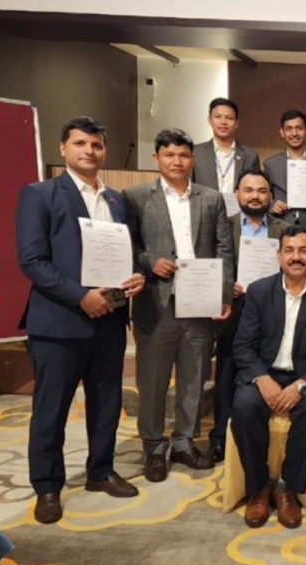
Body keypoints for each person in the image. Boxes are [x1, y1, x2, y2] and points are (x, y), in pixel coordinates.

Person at [16, 116, 146, 524]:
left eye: (96, 145)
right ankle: (48, 486)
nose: (89, 151)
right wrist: (80, 297)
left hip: (109, 319)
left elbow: (130, 251)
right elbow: (32, 261)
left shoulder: (118, 201)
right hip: (58, 323)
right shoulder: (40, 195)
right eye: (80, 144)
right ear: (63, 149)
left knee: (107, 402)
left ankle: (100, 470)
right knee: (51, 409)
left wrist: (136, 276)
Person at [124, 128, 234, 482]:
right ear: (156, 158)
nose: (177, 161)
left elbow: (223, 250)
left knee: (193, 377)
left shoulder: (212, 198)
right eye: (169, 155)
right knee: (153, 381)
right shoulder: (136, 197)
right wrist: (150, 261)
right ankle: (154, 448)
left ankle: (185, 442)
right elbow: (130, 246)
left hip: (200, 302)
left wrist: (224, 294)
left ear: (193, 159)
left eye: (183, 155)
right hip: (156, 302)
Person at [231, 227, 306, 529]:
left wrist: (301, 385)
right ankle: (259, 487)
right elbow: (242, 346)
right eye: (290, 250)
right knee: (244, 406)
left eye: (303, 251)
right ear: (279, 255)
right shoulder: (258, 292)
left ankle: (286, 486)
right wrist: (261, 379)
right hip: (265, 372)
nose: (296, 257)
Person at [209, 170, 291, 463]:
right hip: (234, 307)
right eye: (249, 190)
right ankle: (220, 435)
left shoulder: (284, 228)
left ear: (271, 196)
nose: (255, 196)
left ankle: (260, 428)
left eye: (262, 191)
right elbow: (211, 262)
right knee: (228, 372)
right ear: (237, 195)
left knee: (263, 369)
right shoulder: (224, 226)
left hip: (272, 311)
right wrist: (224, 283)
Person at [192, 97, 260, 195]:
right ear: (209, 120)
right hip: (205, 209)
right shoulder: (196, 153)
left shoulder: (250, 155)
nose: (223, 122)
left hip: (238, 209)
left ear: (236, 123)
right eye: (218, 116)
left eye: (229, 118)